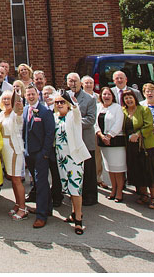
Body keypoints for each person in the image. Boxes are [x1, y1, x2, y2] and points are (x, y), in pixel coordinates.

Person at [121, 89, 154, 209]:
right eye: (126, 98)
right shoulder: (123, 111)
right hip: (132, 146)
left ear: (135, 98)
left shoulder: (144, 109)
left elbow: (149, 125)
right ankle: (144, 194)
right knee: (138, 170)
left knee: (150, 172)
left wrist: (138, 134)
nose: (129, 100)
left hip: (147, 145)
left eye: (131, 97)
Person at [52, 90, 90, 235]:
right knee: (68, 187)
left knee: (75, 187)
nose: (60, 104)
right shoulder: (55, 117)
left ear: (67, 104)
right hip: (61, 158)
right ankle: (74, 213)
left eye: (62, 102)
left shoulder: (72, 116)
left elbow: (77, 112)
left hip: (74, 158)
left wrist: (73, 103)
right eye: (57, 102)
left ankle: (79, 220)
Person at [22, 83, 55, 228]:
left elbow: (50, 134)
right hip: (29, 152)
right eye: (28, 94)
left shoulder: (45, 111)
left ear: (37, 95)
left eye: (33, 94)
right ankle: (47, 208)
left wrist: (45, 153)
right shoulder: (24, 110)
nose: (30, 96)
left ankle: (41, 216)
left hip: (41, 153)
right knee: (38, 183)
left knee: (41, 183)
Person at [66, 72, 98, 206]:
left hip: (85, 139)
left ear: (80, 83)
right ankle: (75, 193)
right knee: (73, 169)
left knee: (89, 170)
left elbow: (90, 120)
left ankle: (90, 197)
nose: (73, 84)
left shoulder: (89, 99)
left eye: (75, 81)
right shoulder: (64, 96)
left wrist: (73, 123)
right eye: (70, 81)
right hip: (70, 141)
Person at [0, 91, 26, 219]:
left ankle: (23, 208)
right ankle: (17, 204)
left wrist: (19, 109)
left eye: (9, 99)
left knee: (17, 179)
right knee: (12, 178)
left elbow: (19, 116)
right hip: (4, 149)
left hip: (14, 148)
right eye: (4, 99)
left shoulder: (15, 113)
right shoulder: (2, 114)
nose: (6, 101)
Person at [95, 87, 127, 202]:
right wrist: (101, 135)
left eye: (109, 94)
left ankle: (119, 192)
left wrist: (109, 136)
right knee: (110, 169)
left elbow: (119, 123)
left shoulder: (117, 108)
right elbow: (95, 123)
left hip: (116, 141)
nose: (106, 96)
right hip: (103, 141)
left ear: (112, 96)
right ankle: (113, 190)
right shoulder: (98, 107)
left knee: (118, 169)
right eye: (104, 94)